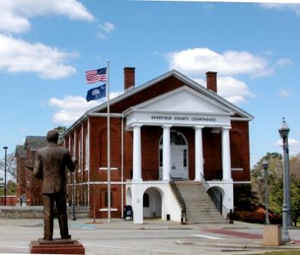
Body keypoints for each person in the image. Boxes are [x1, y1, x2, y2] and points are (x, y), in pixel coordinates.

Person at [33, 129, 76, 241]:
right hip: (60, 186)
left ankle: (48, 236)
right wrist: (74, 161)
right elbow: (72, 168)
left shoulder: (40, 152)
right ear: (57, 139)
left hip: (47, 187)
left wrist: (44, 176)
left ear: (47, 139)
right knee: (62, 212)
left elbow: (36, 173)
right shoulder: (64, 151)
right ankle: (64, 235)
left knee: (48, 213)